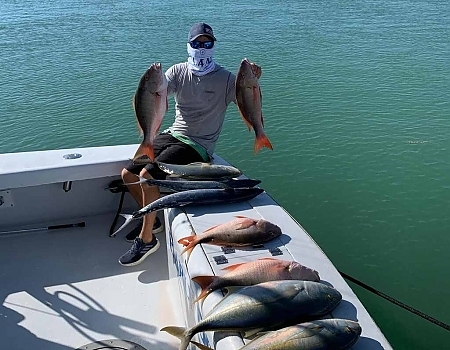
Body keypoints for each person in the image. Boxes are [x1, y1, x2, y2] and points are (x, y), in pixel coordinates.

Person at [119, 22, 237, 266]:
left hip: (199, 144)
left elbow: (247, 100)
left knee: (147, 175)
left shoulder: (226, 79)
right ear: (189, 45)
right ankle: (153, 219)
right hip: (173, 133)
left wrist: (254, 81)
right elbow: (155, 95)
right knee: (128, 174)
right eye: (197, 43)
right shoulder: (177, 71)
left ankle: (147, 237)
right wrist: (148, 84)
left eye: (207, 43)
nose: (202, 48)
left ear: (214, 45)